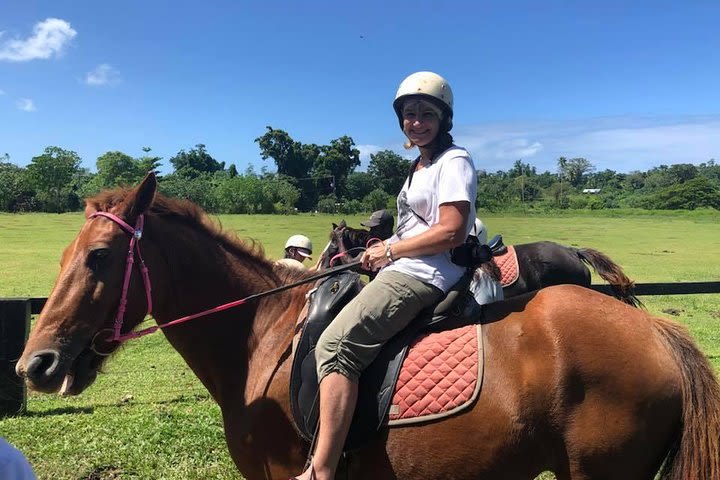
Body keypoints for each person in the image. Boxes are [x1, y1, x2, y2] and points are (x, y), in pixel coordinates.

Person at [291, 71, 477, 480]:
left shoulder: (454, 161)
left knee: (336, 347)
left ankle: (321, 470)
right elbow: (415, 225)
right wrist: (376, 249)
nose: (417, 122)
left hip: (426, 272)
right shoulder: (420, 165)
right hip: (405, 263)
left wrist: (391, 250)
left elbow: (451, 229)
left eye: (427, 114)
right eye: (409, 114)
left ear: (444, 119)